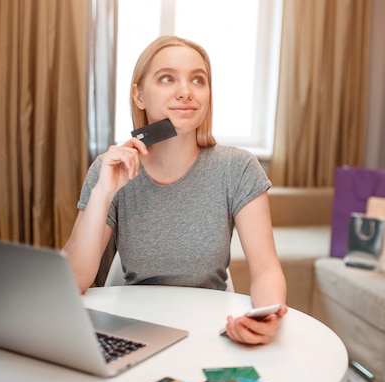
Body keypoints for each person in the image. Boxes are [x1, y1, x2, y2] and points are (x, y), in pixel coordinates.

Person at [63, 35, 287, 345]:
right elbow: (73, 280)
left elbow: (265, 269)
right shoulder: (109, 168)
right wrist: (104, 191)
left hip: (210, 331)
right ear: (139, 95)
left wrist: (267, 314)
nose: (186, 92)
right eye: (167, 78)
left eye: (198, 80)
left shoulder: (238, 167)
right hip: (135, 330)